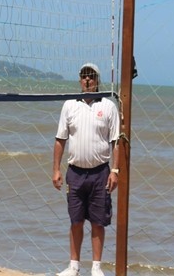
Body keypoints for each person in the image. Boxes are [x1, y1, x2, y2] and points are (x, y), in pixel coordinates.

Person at [52, 63, 121, 276]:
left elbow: (116, 141)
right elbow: (60, 139)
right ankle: (73, 266)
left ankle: (96, 268)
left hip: (100, 172)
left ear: (97, 80)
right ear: (80, 80)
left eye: (91, 76)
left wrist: (115, 171)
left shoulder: (108, 106)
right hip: (75, 172)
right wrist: (56, 169)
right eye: (84, 76)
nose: (87, 80)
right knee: (76, 220)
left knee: (98, 221)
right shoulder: (69, 105)